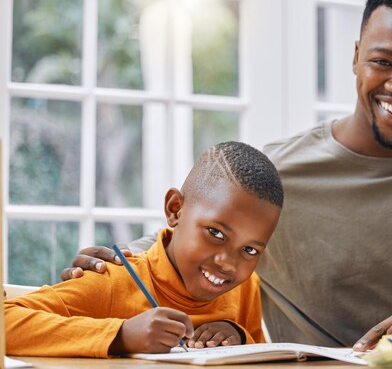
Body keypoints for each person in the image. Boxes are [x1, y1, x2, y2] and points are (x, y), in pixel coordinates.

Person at [61, 0, 392, 352]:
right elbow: (189, 239)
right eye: (382, 61)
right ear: (355, 58)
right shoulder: (280, 172)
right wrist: (118, 265)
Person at [6, 141, 284, 357]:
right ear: (175, 209)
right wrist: (122, 336)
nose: (228, 264)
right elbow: (6, 321)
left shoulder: (244, 288)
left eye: (249, 250)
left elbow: (257, 361)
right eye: (216, 233)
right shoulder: (114, 280)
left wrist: (238, 336)